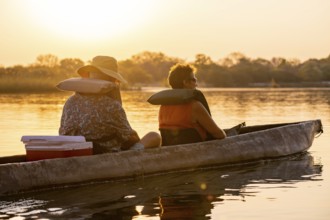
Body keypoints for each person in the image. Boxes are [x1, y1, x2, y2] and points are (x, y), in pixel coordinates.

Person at [59, 55, 161, 154]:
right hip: (106, 154)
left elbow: (62, 133)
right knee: (154, 136)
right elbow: (130, 138)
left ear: (89, 75)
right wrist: (117, 101)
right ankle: (132, 154)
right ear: (111, 79)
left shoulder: (70, 102)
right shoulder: (111, 105)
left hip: (76, 152)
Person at [157, 63, 226, 146]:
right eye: (194, 80)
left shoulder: (163, 106)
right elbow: (219, 134)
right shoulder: (195, 106)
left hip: (171, 149)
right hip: (196, 151)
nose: (196, 84)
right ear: (185, 82)